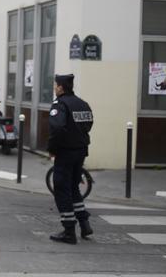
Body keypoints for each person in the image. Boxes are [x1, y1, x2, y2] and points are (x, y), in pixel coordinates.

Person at [47, 74, 94, 245]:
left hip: (65, 152)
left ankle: (69, 231)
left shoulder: (60, 105)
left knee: (61, 188)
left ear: (60, 87)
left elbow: (57, 128)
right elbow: (89, 123)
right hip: (80, 151)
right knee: (74, 187)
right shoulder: (82, 103)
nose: (54, 87)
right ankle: (84, 223)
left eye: (55, 85)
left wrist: (52, 149)